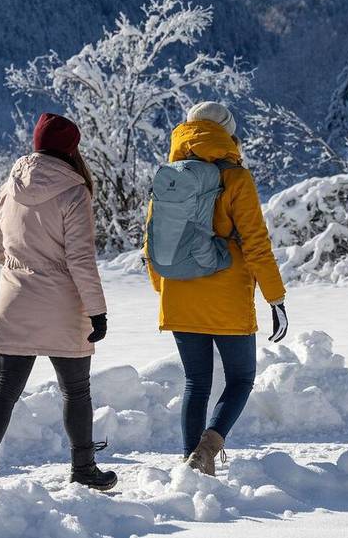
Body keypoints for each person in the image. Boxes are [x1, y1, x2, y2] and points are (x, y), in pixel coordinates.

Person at [0, 112, 116, 492]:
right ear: (71, 149)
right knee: (76, 391)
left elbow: (0, 252)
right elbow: (80, 259)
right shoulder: (74, 192)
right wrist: (97, 311)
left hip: (14, 300)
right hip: (62, 305)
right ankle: (83, 468)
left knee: (4, 388)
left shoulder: (8, 188)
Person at [146, 101, 288, 476]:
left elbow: (151, 242)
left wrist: (165, 288)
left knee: (196, 382)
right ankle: (206, 450)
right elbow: (256, 244)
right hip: (227, 296)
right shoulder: (236, 178)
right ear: (228, 132)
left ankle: (190, 462)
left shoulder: (169, 176)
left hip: (178, 293)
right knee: (241, 379)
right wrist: (275, 298)